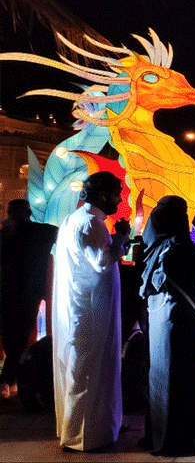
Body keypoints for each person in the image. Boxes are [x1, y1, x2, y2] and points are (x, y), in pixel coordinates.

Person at [139, 195, 195, 456]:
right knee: (183, 375)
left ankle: (158, 436)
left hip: (159, 319)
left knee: (160, 374)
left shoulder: (152, 246)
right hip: (180, 321)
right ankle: (181, 439)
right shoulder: (179, 244)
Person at [51, 171, 123, 451]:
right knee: (88, 370)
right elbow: (102, 262)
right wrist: (122, 238)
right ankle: (84, 437)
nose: (119, 199)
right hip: (90, 310)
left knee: (83, 368)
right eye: (117, 194)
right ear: (104, 196)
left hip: (84, 307)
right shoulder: (91, 222)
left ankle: (91, 428)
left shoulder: (76, 218)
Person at [1, 199, 57, 399]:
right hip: (28, 293)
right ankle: (9, 378)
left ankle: (8, 379)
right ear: (29, 212)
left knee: (12, 338)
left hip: (8, 293)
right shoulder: (43, 232)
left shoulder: (5, 234)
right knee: (19, 337)